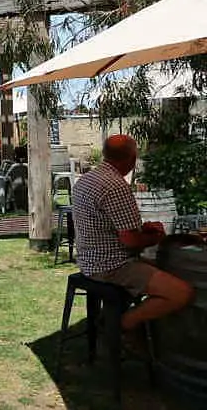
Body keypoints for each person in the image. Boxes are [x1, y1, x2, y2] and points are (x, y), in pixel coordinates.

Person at [72, 135, 194, 335]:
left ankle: (129, 325)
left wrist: (141, 230)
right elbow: (130, 241)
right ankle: (125, 324)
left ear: (105, 154)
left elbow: (107, 226)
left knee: (168, 270)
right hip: (112, 266)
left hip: (89, 261)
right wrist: (155, 237)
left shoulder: (87, 179)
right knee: (182, 292)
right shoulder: (116, 186)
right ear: (131, 158)